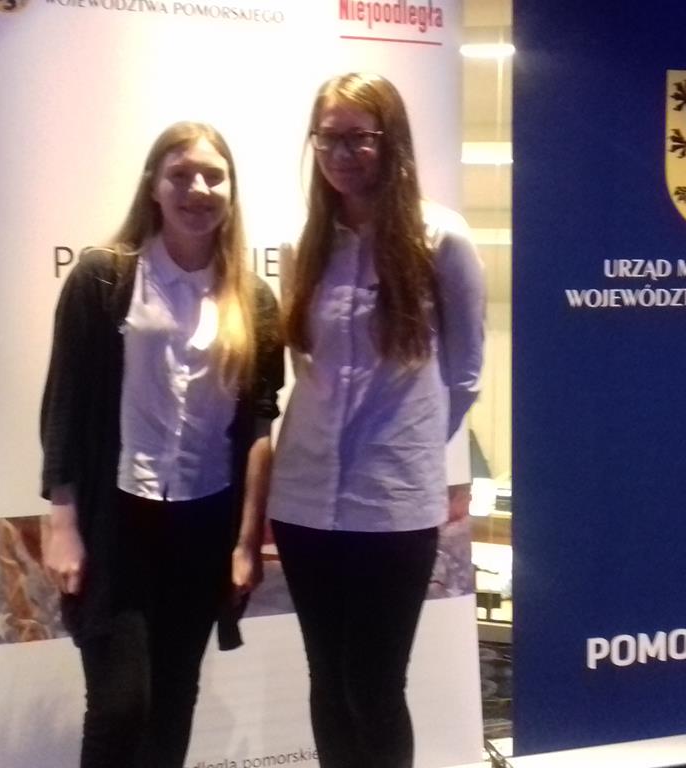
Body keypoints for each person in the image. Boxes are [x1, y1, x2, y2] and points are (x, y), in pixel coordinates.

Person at [38, 121, 283, 768]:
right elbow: (64, 402)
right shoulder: (103, 278)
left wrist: (246, 543)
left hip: (204, 525)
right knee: (121, 705)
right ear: (153, 185)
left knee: (174, 701)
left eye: (213, 176)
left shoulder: (254, 300)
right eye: (180, 175)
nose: (198, 189)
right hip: (117, 521)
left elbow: (259, 429)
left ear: (231, 190)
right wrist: (62, 522)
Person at [268, 73, 485, 768]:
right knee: (328, 680)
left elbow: (466, 373)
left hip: (392, 505)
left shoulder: (441, 238)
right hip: (303, 499)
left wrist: (404, 447)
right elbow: (306, 367)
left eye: (359, 137)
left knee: (374, 686)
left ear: (391, 142)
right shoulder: (303, 245)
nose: (342, 153)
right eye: (328, 137)